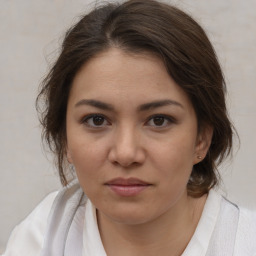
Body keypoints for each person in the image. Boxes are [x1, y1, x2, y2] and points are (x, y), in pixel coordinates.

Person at [2, 0, 256, 255]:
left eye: (159, 120)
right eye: (97, 120)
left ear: (202, 138)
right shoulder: (40, 239)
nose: (125, 154)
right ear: (65, 137)